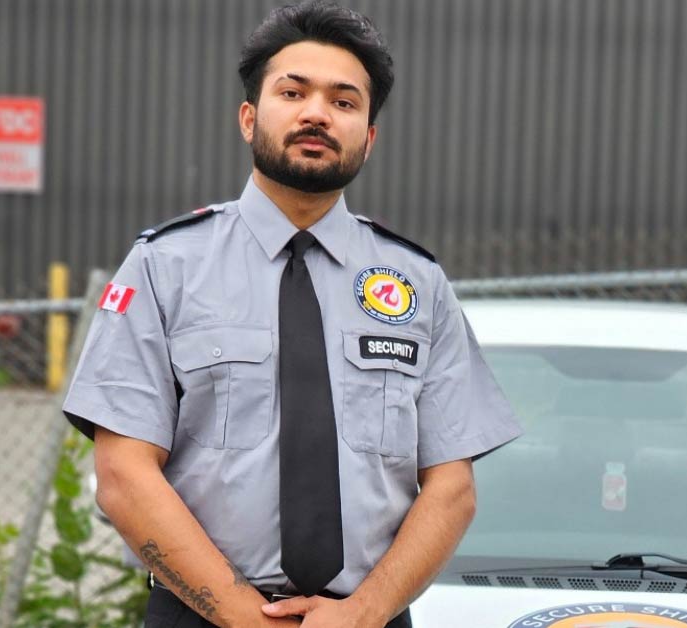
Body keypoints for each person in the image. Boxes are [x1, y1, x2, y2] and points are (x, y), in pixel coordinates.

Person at [61, 2, 522, 626]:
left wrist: (365, 612)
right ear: (249, 117)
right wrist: (239, 613)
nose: (316, 113)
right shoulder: (164, 268)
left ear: (369, 135)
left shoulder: (419, 282)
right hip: (200, 613)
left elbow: (452, 487)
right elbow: (123, 474)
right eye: (292, 91)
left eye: (344, 101)